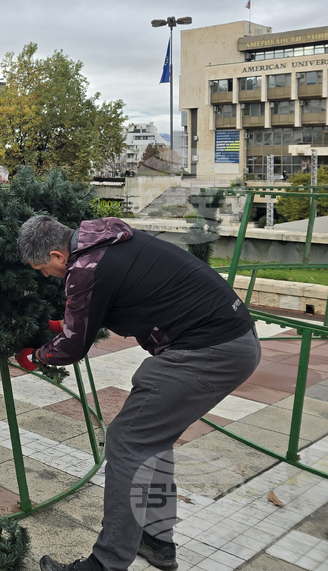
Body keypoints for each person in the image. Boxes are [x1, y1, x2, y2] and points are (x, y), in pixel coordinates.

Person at [16, 215, 260, 571]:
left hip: (207, 351)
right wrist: (63, 325)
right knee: (151, 442)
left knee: (127, 441)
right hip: (235, 340)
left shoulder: (85, 267)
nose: (45, 276)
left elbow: (72, 347)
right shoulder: (107, 241)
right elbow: (118, 296)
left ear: (56, 255)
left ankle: (106, 563)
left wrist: (37, 356)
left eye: (42, 269)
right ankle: (156, 541)